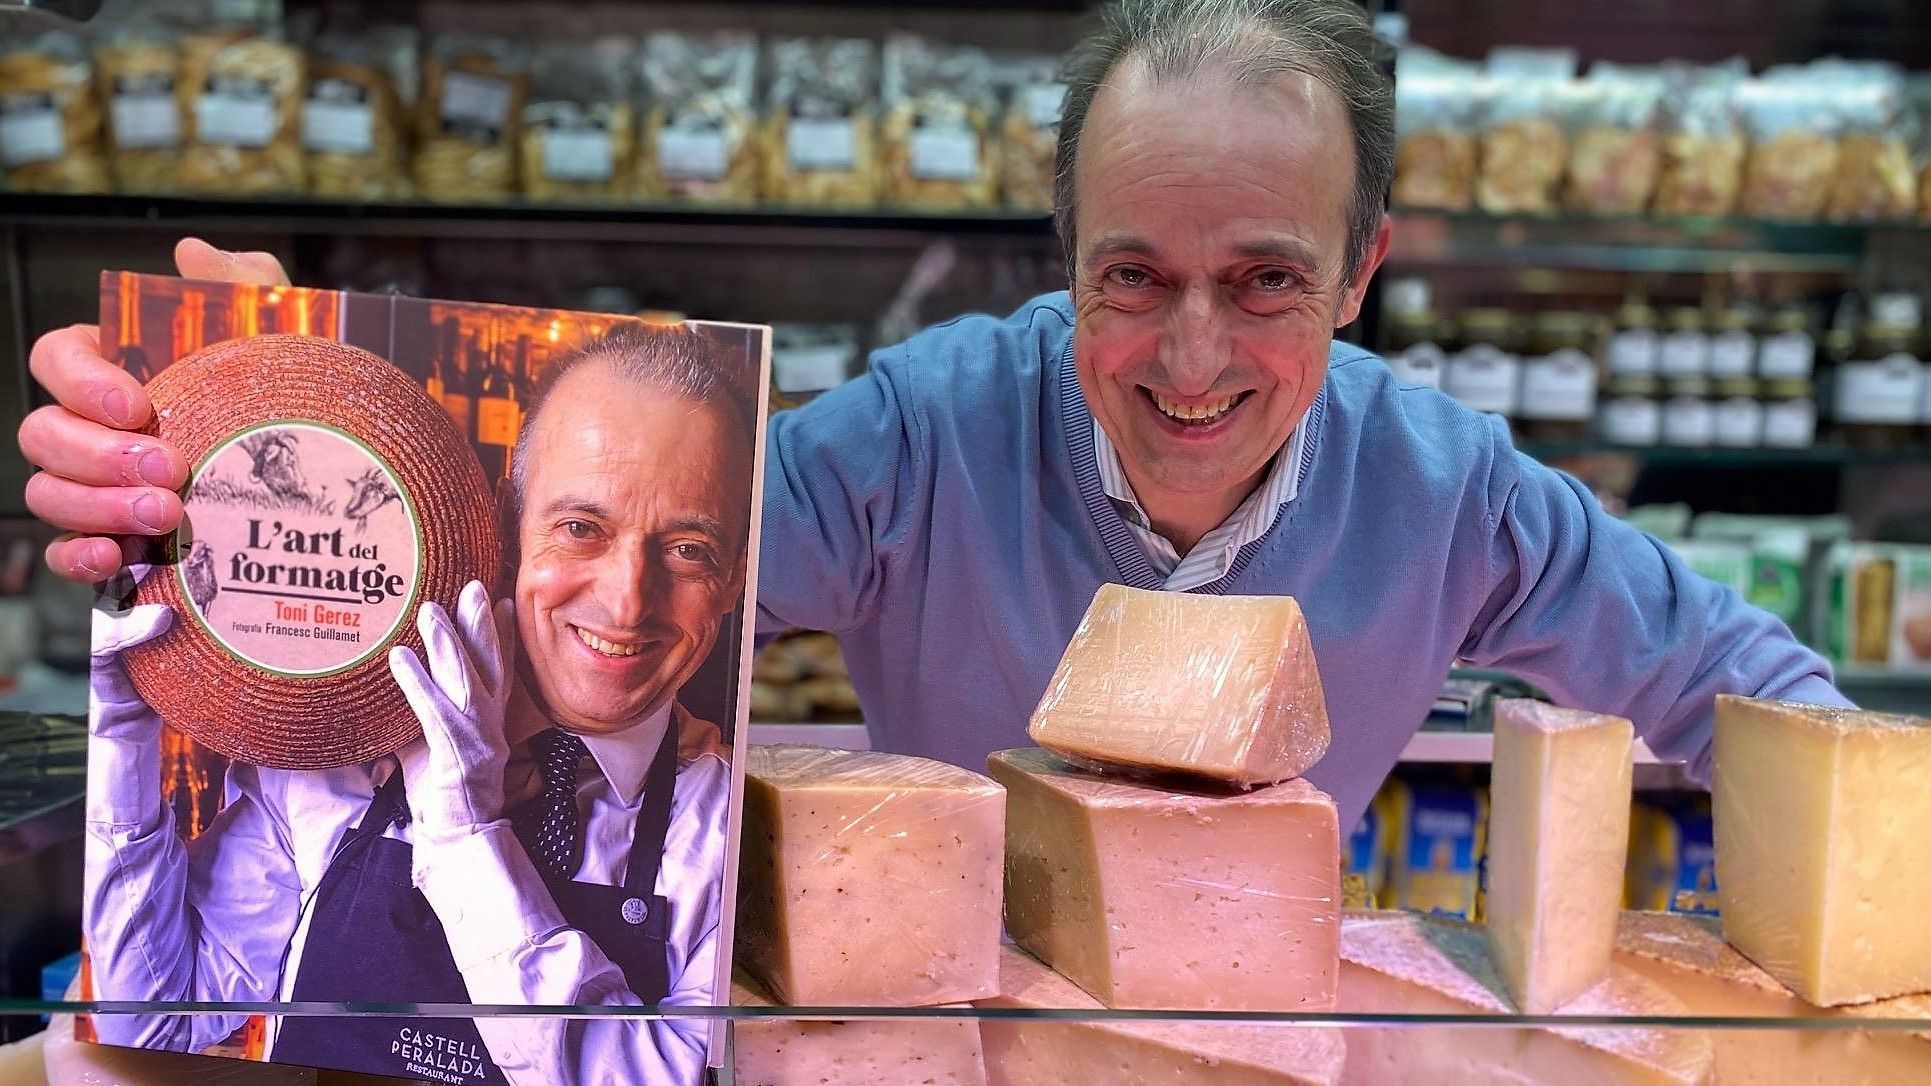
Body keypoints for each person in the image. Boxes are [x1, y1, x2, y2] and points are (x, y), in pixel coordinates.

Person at [23, 0, 1846, 840]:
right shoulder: (918, 434)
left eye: (1267, 281)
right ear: (1061, 256)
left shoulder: (1455, 494)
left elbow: (1738, 682)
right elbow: (541, 562)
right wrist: (275, 468)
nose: (1191, 355)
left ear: (1363, 266)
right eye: (1131, 277)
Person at [78, 324, 755, 1085]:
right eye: (580, 528)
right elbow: (161, 1023)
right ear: (507, 525)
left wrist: (467, 838)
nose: (628, 602)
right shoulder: (342, 740)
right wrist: (126, 727)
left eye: (688, 549)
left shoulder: (742, 839)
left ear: (733, 579)